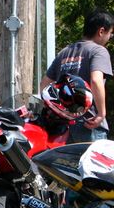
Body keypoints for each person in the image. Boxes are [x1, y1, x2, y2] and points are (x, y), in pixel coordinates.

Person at [42, 9, 114, 142]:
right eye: (110, 33)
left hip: (63, 127)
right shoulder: (98, 51)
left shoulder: (65, 52)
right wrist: (101, 113)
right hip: (89, 123)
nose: (109, 37)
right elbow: (96, 80)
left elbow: (44, 84)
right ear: (101, 31)